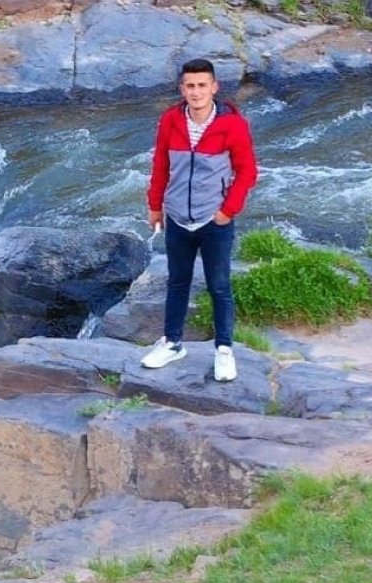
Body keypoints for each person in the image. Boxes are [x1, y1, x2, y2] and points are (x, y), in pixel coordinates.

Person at [140, 58, 258, 381]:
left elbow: (247, 172)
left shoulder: (233, 125)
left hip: (214, 220)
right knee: (177, 282)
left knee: (219, 286)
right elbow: (160, 165)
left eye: (202, 85)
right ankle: (173, 342)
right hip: (177, 218)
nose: (196, 92)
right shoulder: (169, 121)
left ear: (214, 87)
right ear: (182, 89)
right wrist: (155, 206)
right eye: (190, 86)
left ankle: (223, 350)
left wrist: (227, 211)